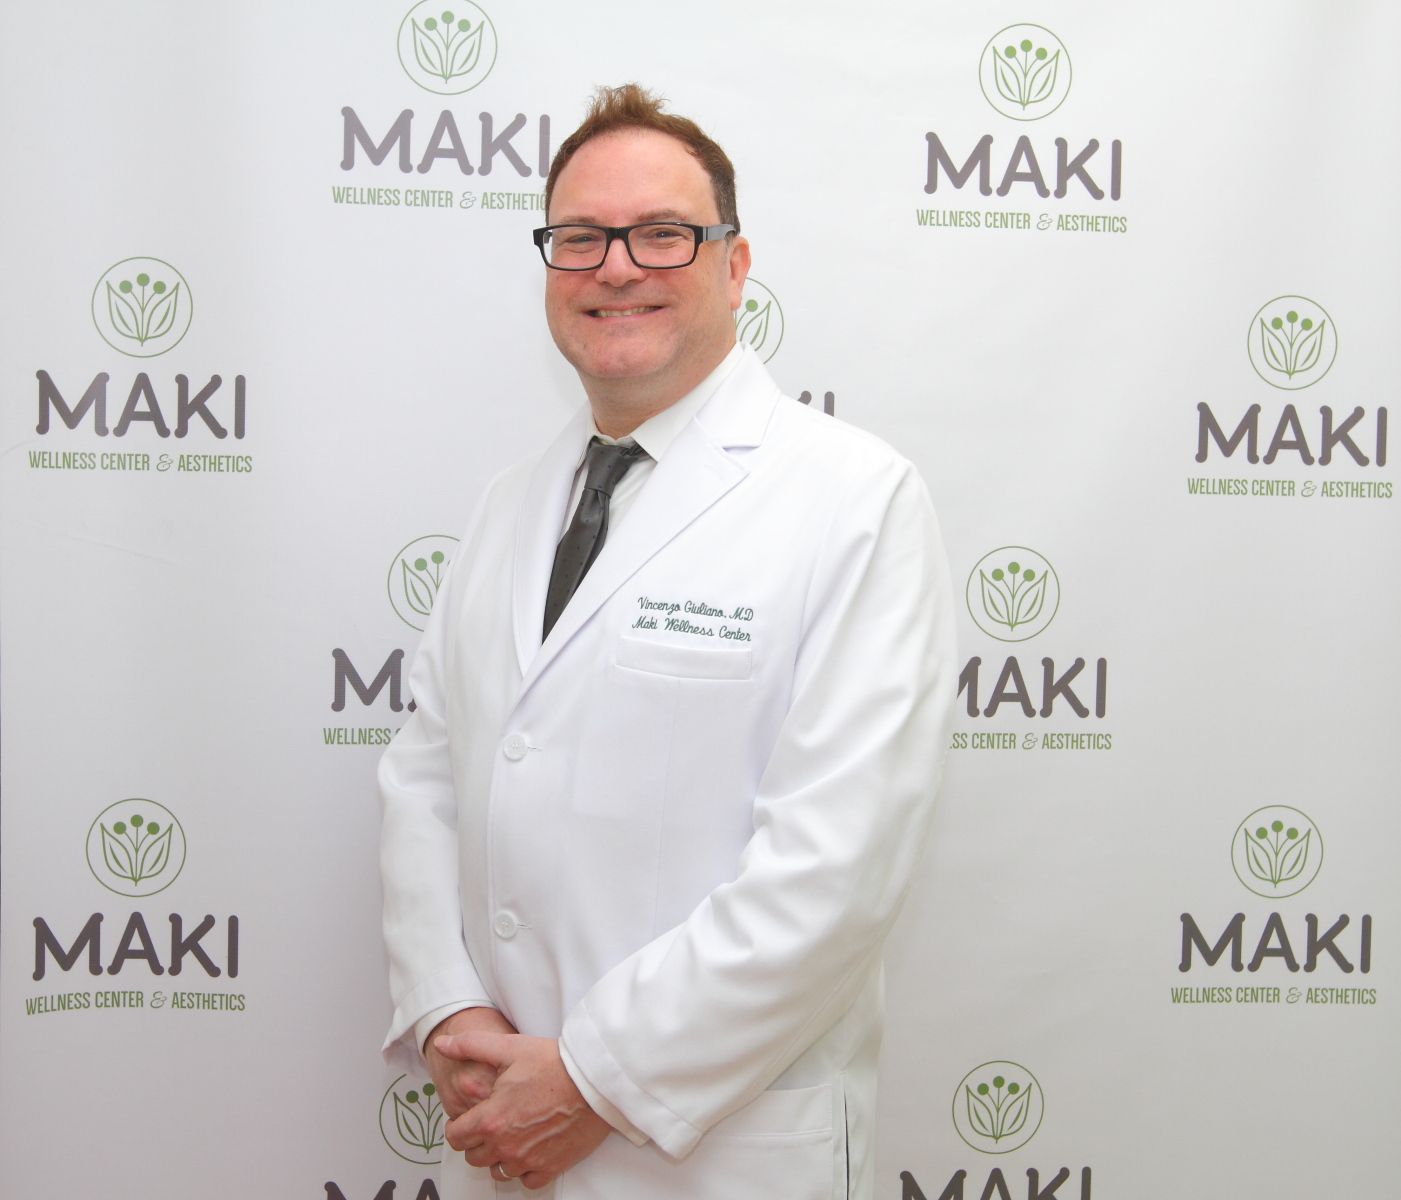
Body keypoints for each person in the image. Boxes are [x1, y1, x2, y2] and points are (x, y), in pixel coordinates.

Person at [378, 83, 956, 1200]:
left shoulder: (854, 500)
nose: (616, 266)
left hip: (713, 1147)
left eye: (663, 234)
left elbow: (835, 871)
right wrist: (449, 1007)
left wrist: (594, 1078)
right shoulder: (510, 505)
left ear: (735, 267)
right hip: (500, 1120)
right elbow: (425, 779)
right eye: (581, 237)